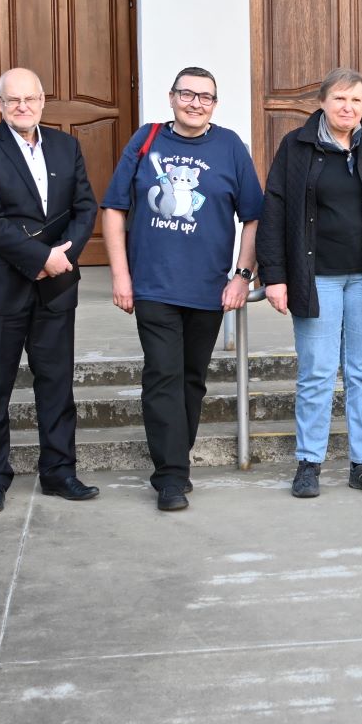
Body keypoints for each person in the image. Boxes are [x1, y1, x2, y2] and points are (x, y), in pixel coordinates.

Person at [103, 66, 263, 512]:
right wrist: (120, 275)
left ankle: (176, 459)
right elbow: (114, 209)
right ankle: (171, 476)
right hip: (153, 285)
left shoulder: (230, 146)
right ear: (172, 97)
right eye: (187, 94)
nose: (195, 103)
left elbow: (254, 215)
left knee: (192, 380)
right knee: (163, 375)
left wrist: (242, 275)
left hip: (207, 289)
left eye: (205, 96)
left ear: (215, 104)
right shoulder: (147, 138)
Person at [258, 69, 362, 498]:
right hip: (316, 278)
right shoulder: (296, 146)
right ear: (322, 102)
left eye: (356, 101)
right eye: (341, 99)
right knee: (317, 372)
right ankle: (309, 462)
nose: (349, 108)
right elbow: (274, 210)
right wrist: (274, 275)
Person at [0, 68, 101, 513]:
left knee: (57, 384)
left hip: (56, 286)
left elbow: (85, 207)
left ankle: (59, 472)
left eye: (31, 98)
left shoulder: (66, 146)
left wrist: (64, 256)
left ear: (42, 101)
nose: (23, 106)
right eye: (13, 100)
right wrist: (40, 258)